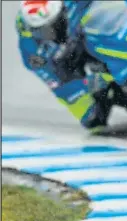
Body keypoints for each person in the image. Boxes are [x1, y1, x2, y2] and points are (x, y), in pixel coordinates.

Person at [15, 0, 110, 132]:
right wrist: (87, 83)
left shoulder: (70, 4)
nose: (50, 34)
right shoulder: (32, 52)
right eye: (42, 31)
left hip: (90, 30)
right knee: (91, 119)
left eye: (53, 26)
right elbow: (58, 85)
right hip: (67, 59)